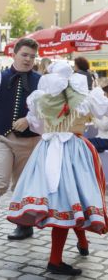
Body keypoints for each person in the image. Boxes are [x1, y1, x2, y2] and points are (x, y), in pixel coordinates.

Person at [7, 61, 108, 275]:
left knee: (67, 200)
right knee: (71, 200)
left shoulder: (40, 99)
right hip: (74, 150)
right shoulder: (86, 98)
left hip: (46, 150)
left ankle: (82, 242)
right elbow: (102, 112)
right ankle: (56, 260)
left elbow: (37, 127)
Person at [0, 37, 42, 241]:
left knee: (24, 184)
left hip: (30, 141)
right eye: (24, 55)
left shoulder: (41, 81)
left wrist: (29, 120)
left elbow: (47, 110)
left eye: (32, 56)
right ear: (13, 55)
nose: (28, 59)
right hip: (0, 138)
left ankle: (25, 225)